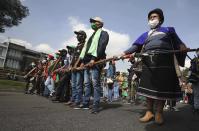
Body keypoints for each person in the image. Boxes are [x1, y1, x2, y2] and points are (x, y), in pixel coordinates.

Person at [121, 8, 187, 124]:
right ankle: (149, 112)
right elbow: (135, 46)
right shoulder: (145, 34)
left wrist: (182, 46)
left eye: (154, 17)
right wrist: (124, 53)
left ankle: (159, 113)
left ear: (160, 20)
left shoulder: (168, 30)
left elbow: (178, 41)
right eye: (150, 18)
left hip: (165, 62)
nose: (152, 19)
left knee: (161, 88)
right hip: (149, 62)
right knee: (149, 88)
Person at [79, 16, 109, 114]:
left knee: (95, 84)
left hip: (95, 62)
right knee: (87, 84)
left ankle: (96, 105)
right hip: (87, 62)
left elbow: (101, 46)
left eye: (94, 21)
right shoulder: (92, 36)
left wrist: (93, 59)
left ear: (100, 23)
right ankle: (86, 103)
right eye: (91, 22)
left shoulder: (104, 33)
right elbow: (87, 49)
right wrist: (83, 61)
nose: (92, 23)